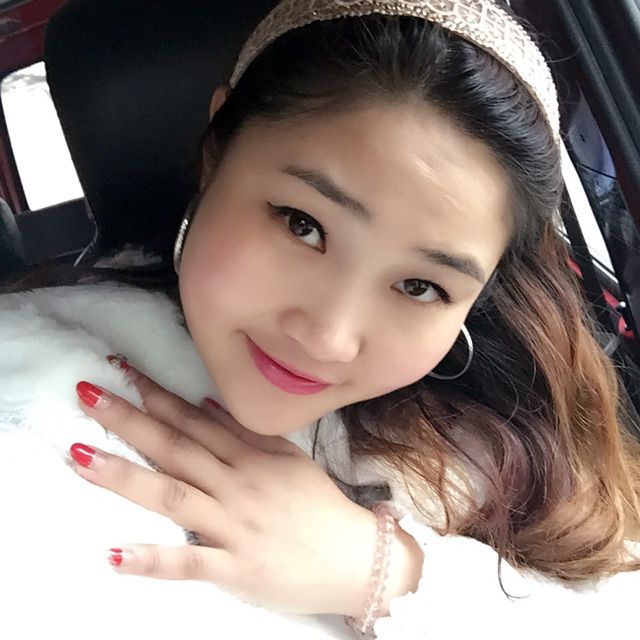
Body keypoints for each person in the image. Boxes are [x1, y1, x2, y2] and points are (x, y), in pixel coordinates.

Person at [2, 0, 640, 638]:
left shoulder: (515, 438)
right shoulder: (28, 399)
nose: (328, 338)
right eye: (302, 225)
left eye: (420, 286)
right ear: (217, 149)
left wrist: (388, 572)